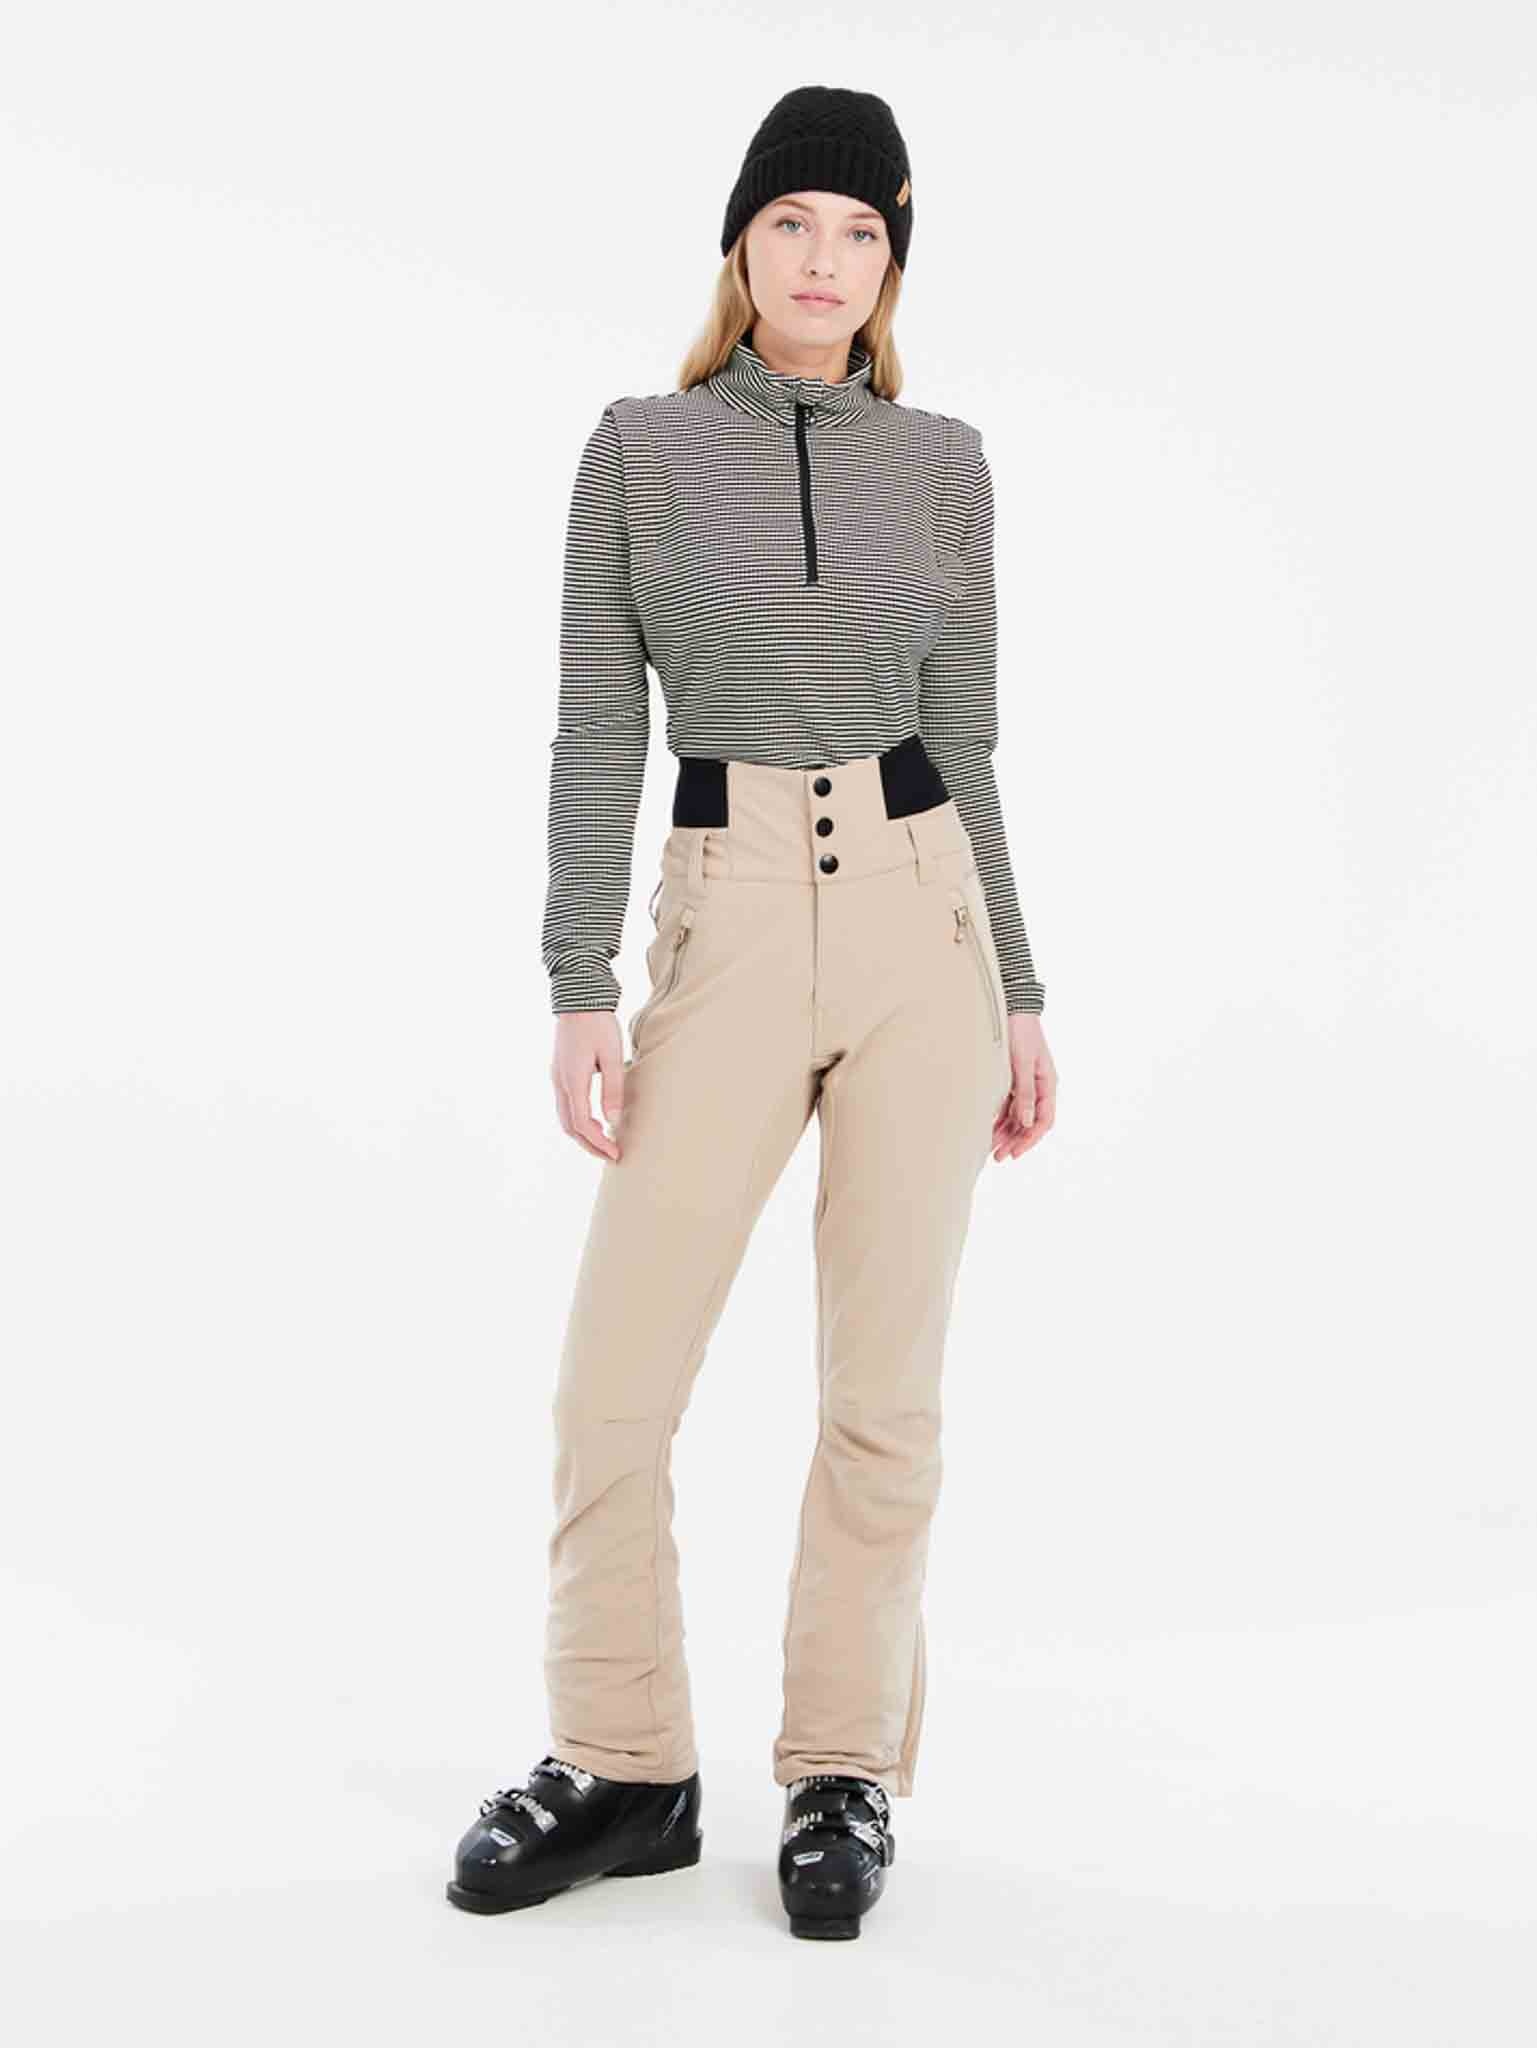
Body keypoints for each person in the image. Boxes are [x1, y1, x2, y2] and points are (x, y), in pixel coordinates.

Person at [447, 84, 1058, 1942]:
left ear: (890, 267)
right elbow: (594, 723)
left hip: (919, 920)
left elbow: (966, 739)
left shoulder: (942, 462)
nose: (823, 258)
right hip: (719, 915)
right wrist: (576, 984)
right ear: (740, 242)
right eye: (793, 220)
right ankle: (622, 1760)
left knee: (883, 1390)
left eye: (862, 231)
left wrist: (1021, 989)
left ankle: (839, 1769)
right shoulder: (637, 449)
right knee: (612, 1383)